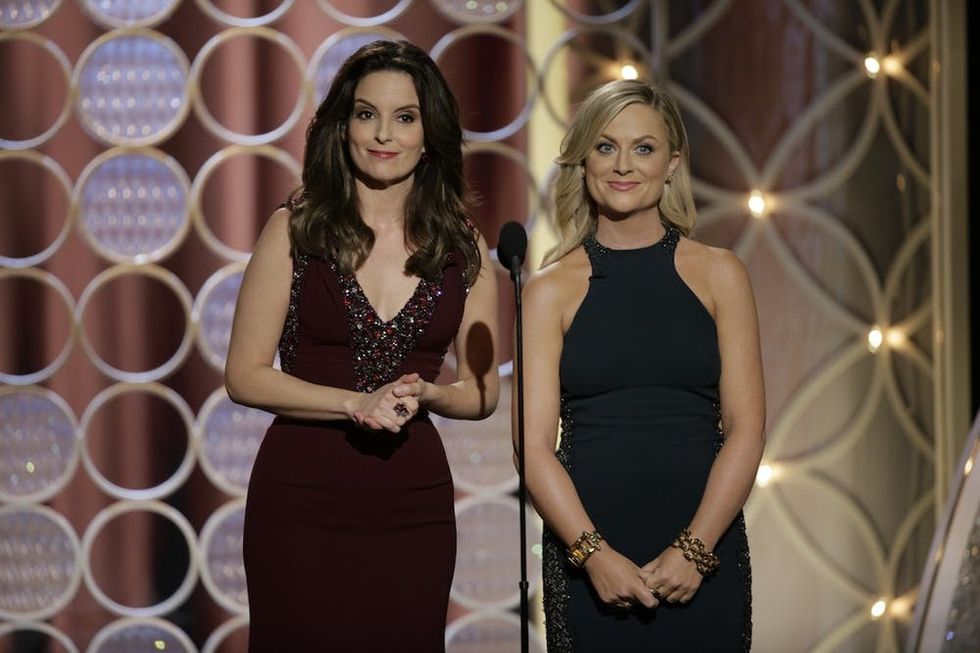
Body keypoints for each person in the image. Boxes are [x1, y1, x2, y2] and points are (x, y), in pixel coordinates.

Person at [224, 40, 499, 651]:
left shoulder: (464, 247)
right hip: (300, 500)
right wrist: (355, 403)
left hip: (412, 502)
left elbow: (482, 394)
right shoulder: (294, 229)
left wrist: (429, 392)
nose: (383, 133)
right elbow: (244, 375)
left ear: (431, 136)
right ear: (342, 126)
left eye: (405, 117)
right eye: (366, 113)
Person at [521, 79, 765, 651]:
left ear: (672, 163)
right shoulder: (548, 291)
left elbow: (747, 428)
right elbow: (532, 451)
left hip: (706, 552)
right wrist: (594, 556)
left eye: (643, 148)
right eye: (605, 147)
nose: (623, 165)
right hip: (588, 558)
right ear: (582, 164)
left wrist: (696, 551)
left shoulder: (719, 273)